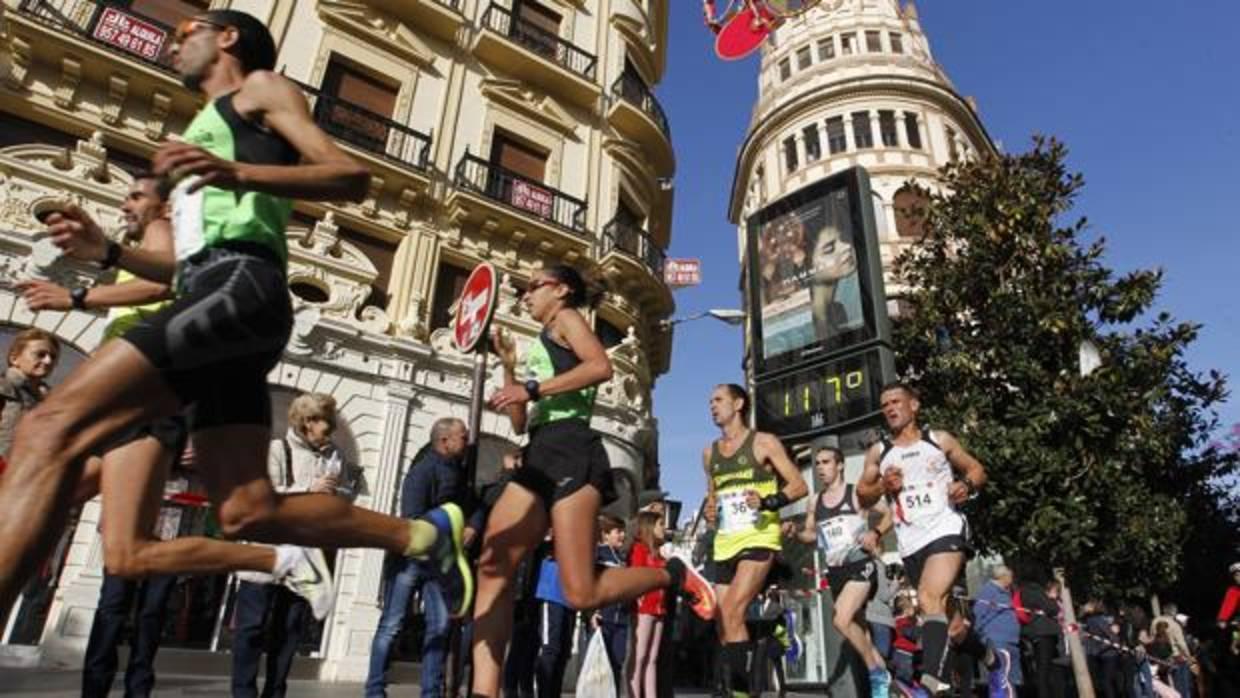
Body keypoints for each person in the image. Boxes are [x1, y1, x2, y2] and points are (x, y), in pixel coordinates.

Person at [0, 9, 470, 626]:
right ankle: (425, 537)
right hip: (220, 298)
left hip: (239, 285)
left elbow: (351, 176)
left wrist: (239, 173)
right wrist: (108, 253)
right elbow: (175, 269)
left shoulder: (260, 89)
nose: (171, 41)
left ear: (226, 38)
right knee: (247, 511)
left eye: (182, 30)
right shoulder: (195, 131)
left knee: (48, 428)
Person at [471, 264, 715, 697]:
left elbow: (601, 367)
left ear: (561, 290)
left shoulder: (567, 319)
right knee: (494, 563)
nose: (525, 295)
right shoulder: (538, 343)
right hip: (540, 450)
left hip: (572, 450)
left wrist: (530, 387)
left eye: (533, 286)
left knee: (581, 593)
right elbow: (520, 420)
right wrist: (510, 372)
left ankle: (670, 576)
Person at [855, 382, 1010, 696]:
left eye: (896, 401)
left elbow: (977, 469)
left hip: (946, 530)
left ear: (914, 405)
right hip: (911, 542)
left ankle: (928, 685)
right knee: (951, 627)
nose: (890, 408)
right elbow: (862, 494)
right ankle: (995, 661)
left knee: (928, 598)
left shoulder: (938, 440)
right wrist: (884, 486)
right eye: (885, 405)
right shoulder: (880, 452)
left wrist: (965, 484)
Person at [231, 393, 355, 698]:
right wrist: (309, 490)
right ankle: (243, 693)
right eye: (327, 423)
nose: (332, 429)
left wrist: (337, 495)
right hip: (267, 552)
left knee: (288, 632)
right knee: (251, 629)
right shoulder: (278, 448)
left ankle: (276, 692)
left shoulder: (334, 455)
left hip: (304, 555)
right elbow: (267, 496)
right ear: (308, 422)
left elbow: (340, 498)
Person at [702, 383, 808, 696]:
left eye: (718, 400)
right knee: (724, 622)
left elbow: (799, 486)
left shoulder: (764, 442)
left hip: (759, 537)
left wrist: (767, 502)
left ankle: (741, 692)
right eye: (710, 401)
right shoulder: (709, 453)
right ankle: (739, 683)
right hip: (725, 542)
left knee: (733, 611)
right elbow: (713, 499)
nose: (712, 406)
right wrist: (710, 511)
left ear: (738, 404)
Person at [365, 417, 471, 698]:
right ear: (444, 440)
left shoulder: (458, 474)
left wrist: (469, 527)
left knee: (440, 624)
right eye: (463, 435)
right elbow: (412, 517)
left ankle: (431, 691)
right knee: (392, 624)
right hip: (410, 561)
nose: (467, 440)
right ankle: (374, 690)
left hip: (437, 562)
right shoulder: (423, 472)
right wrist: (445, 528)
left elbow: (471, 505)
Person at [785, 445, 891, 697]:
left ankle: (876, 673)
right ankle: (883, 683)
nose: (821, 468)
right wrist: (795, 532)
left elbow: (890, 514)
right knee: (860, 632)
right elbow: (811, 535)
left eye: (826, 462)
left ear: (840, 465)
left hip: (861, 564)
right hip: (836, 571)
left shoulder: (856, 494)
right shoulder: (815, 501)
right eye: (818, 463)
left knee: (840, 619)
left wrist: (875, 533)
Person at [0, 327, 60, 455]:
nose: (48, 361)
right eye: (40, 354)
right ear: (14, 359)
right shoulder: (3, 388)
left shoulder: (52, 401)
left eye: (53, 357)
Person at [629, 510, 667, 698]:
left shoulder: (659, 553)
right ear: (650, 527)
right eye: (661, 524)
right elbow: (636, 575)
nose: (664, 528)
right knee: (640, 657)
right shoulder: (639, 549)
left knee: (652, 658)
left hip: (659, 607)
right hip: (644, 607)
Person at [593, 514, 630, 697]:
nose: (622, 535)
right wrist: (591, 612)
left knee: (617, 663)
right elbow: (591, 585)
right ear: (605, 534)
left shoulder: (623, 559)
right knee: (600, 664)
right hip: (603, 618)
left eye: (623, 531)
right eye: (618, 532)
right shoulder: (599, 555)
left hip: (621, 620)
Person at [973, 566, 1022, 697]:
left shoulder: (1006, 592)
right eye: (1010, 576)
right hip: (997, 640)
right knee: (1001, 679)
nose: (1012, 579)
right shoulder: (988, 591)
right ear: (1003, 577)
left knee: (1009, 679)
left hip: (1010, 640)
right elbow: (978, 614)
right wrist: (982, 636)